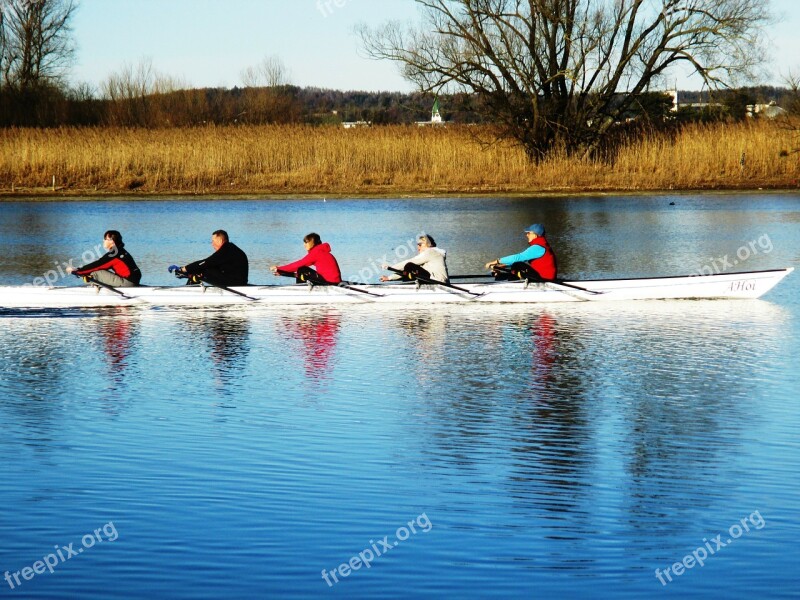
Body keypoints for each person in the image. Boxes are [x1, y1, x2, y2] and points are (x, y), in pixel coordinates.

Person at [484, 223, 557, 281]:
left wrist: (496, 261)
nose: (526, 235)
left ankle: (507, 283)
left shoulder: (538, 248)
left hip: (544, 279)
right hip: (544, 277)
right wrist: (499, 267)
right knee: (517, 266)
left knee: (518, 265)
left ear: (535, 235)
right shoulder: (542, 245)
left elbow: (518, 258)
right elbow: (519, 259)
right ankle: (500, 276)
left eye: (528, 233)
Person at [67, 230, 142, 287]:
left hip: (127, 282)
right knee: (98, 271)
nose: (103, 241)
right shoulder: (120, 250)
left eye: (105, 239)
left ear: (112, 241)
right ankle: (98, 286)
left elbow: (97, 265)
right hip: (133, 280)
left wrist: (77, 271)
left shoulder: (114, 254)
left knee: (96, 273)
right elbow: (100, 264)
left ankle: (96, 289)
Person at [176, 230, 249, 286]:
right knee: (200, 269)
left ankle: (189, 293)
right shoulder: (230, 249)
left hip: (235, 284)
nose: (212, 244)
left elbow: (205, 263)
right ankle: (191, 286)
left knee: (202, 269)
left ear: (220, 240)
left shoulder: (225, 250)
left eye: (213, 241)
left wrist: (183, 269)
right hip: (238, 281)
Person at [271, 233, 342, 284]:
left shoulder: (316, 253)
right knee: (302, 270)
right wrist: (283, 273)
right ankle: (302, 289)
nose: (304, 245)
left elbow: (298, 264)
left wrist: (279, 268)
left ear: (314, 243)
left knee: (302, 269)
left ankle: (300, 292)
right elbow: (301, 272)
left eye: (307, 242)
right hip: (333, 281)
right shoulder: (321, 251)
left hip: (330, 283)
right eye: (304, 242)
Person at [380, 234, 449, 283]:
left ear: (428, 244)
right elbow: (405, 270)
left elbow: (407, 263)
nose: (418, 247)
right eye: (417, 245)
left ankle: (410, 285)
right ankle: (411, 280)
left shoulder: (430, 252)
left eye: (420, 244)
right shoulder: (434, 253)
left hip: (438, 282)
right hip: (437, 280)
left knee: (409, 265)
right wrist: (389, 278)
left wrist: (390, 267)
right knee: (411, 268)